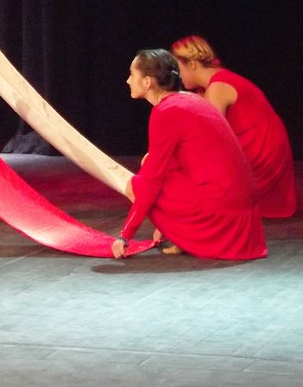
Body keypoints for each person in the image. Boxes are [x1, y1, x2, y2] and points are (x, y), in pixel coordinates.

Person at [111, 49, 267, 261]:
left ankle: (190, 239)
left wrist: (125, 235)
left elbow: (150, 182)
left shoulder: (167, 111)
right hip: (241, 206)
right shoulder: (191, 100)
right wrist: (166, 225)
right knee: (151, 161)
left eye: (132, 74)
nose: (128, 80)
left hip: (222, 211)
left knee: (137, 185)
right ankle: (180, 238)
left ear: (147, 82)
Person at [171, 35, 297, 218]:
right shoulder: (209, 87)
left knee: (190, 168)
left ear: (192, 64)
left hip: (260, 152)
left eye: (178, 68)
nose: (178, 75)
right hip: (257, 146)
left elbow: (207, 138)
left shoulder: (218, 87)